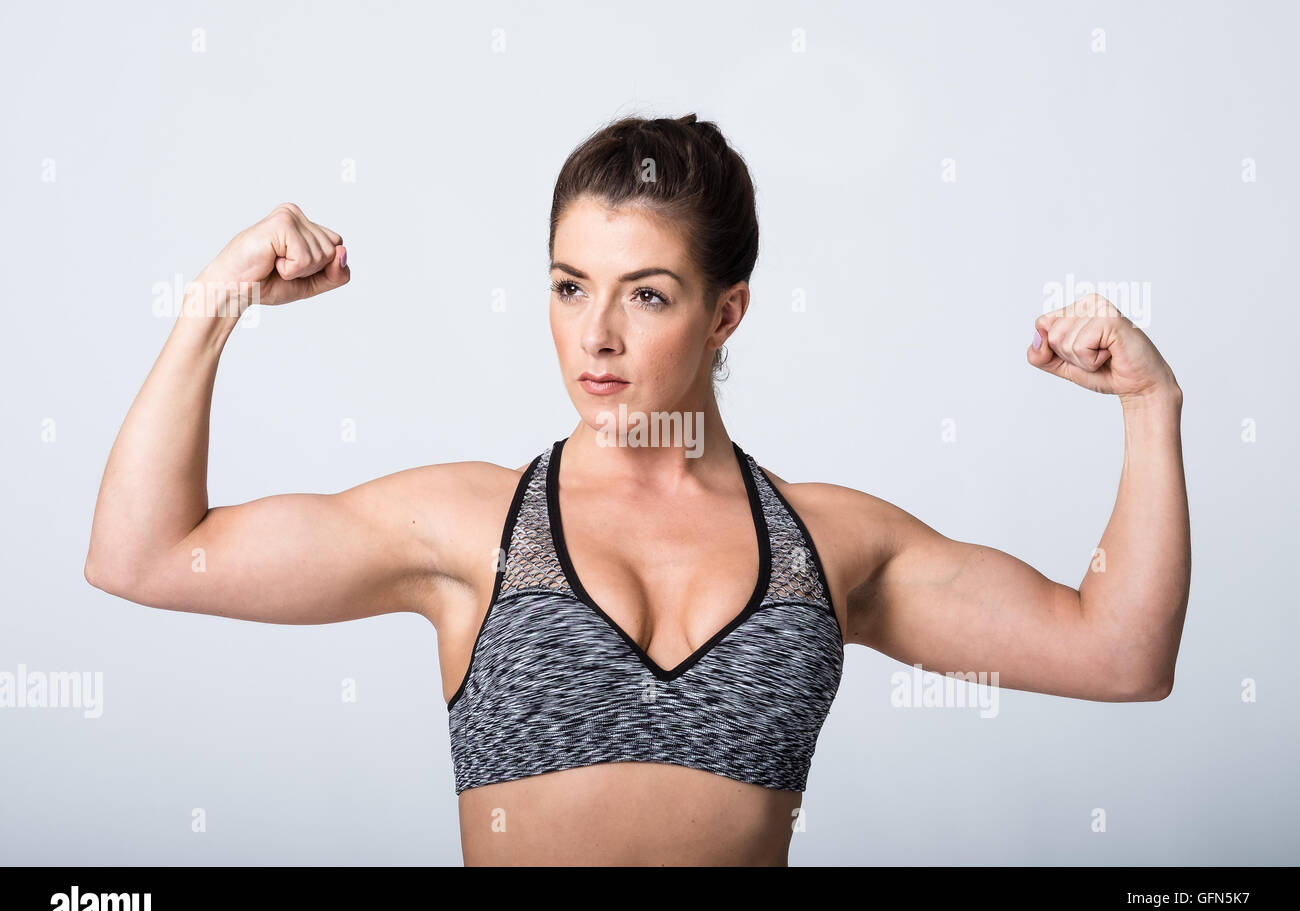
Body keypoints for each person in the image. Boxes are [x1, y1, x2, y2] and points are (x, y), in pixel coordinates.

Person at [84, 113, 1189, 866]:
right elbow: (141, 553)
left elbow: (1118, 653)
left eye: (647, 295)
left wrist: (1151, 409)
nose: (595, 336)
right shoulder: (470, 525)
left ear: (726, 313)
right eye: (569, 287)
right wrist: (216, 298)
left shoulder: (829, 542)